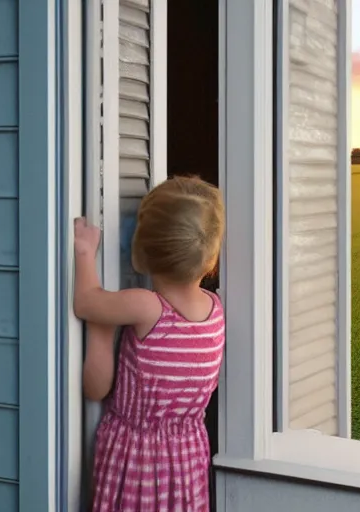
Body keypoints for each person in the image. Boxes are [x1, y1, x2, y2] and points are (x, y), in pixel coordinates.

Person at [73, 176, 226, 512]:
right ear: (210, 258)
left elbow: (86, 302)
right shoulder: (216, 311)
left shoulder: (146, 307)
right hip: (187, 459)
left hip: (138, 459)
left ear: (141, 248)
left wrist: (85, 253)